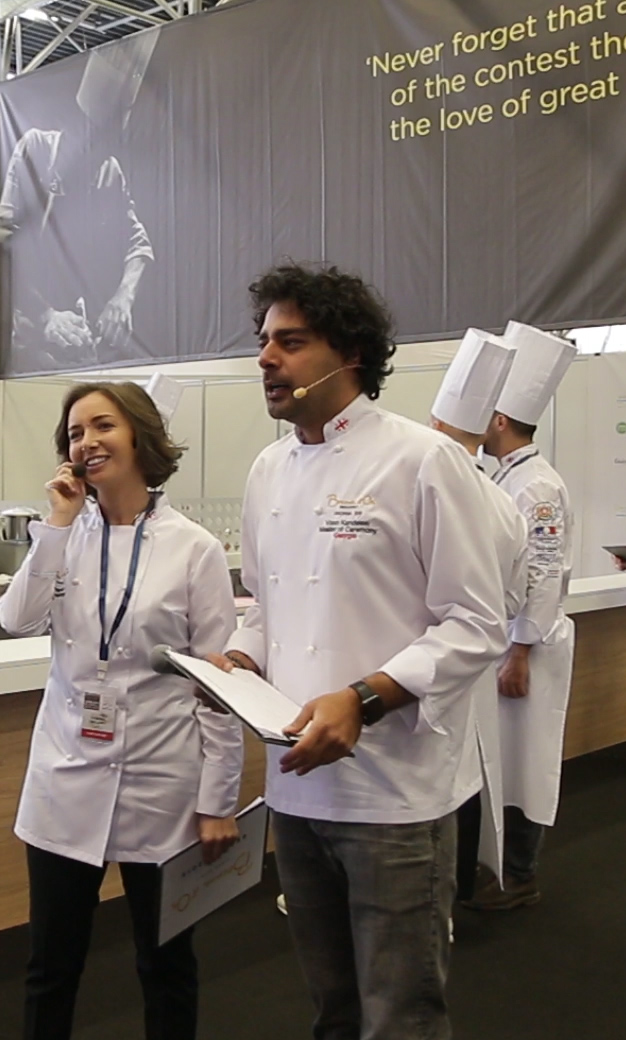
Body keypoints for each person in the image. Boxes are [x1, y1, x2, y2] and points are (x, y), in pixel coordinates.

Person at [214, 263, 508, 1040]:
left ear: (349, 353)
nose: (265, 358)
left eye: (290, 342)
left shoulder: (422, 461)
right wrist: (240, 658)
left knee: (400, 1014)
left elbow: (477, 622)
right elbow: (265, 607)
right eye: (263, 342)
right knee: (333, 1008)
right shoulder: (268, 470)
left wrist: (366, 697)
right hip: (296, 784)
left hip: (394, 792)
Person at [0, 380, 243, 1040]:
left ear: (139, 435)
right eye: (75, 433)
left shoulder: (194, 548)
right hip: (66, 774)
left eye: (102, 425)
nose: (87, 441)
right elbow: (16, 619)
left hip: (161, 780)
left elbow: (218, 681)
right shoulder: (63, 536)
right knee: (51, 966)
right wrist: (56, 524)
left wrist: (219, 797)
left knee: (166, 965)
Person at [470, 321, 579, 910]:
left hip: (528, 647)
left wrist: (520, 651)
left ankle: (520, 874)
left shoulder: (535, 487)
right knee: (502, 763)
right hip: (509, 643)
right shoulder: (508, 477)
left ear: (500, 421)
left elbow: (542, 573)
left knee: (526, 763)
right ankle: (497, 869)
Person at [426, 329, 528, 914]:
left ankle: (438, 894)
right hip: (478, 660)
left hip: (425, 663)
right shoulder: (503, 502)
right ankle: (461, 886)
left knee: (434, 781)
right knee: (468, 771)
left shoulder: (427, 482)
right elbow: (515, 595)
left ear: (437, 423)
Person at [0, 31, 159, 371]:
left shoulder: (109, 171)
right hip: (27, 335)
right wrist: (46, 316)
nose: (99, 156)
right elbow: (5, 249)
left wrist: (123, 297)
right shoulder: (35, 149)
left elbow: (138, 243)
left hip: (80, 335)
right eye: (94, 143)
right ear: (76, 129)